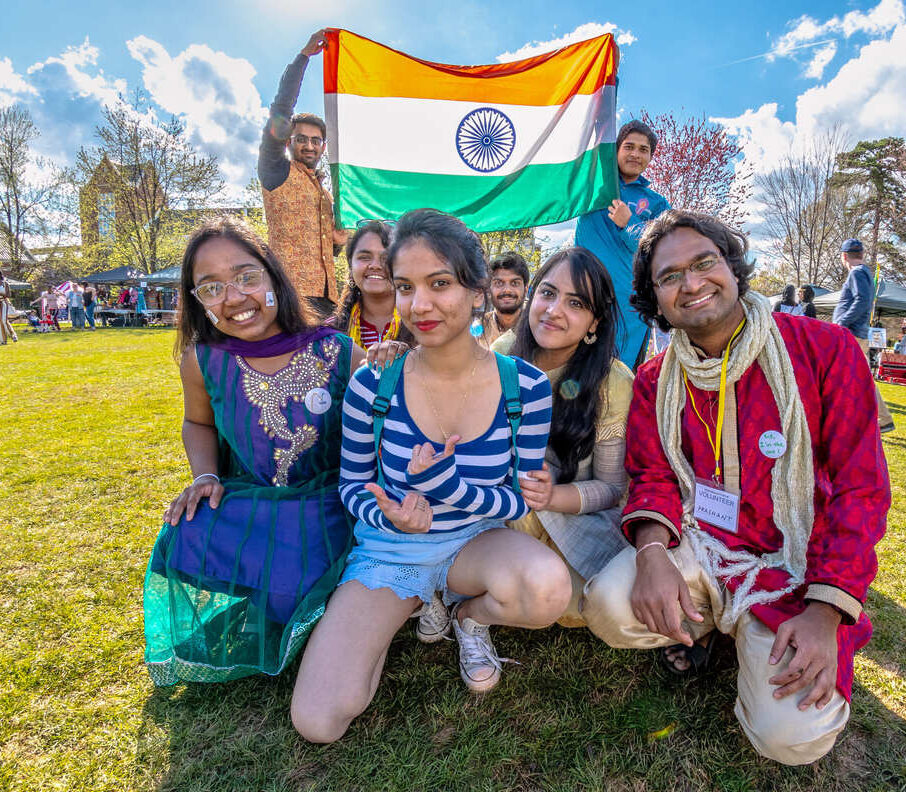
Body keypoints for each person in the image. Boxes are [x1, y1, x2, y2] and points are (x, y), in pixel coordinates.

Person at [581, 210, 890, 766]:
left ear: (733, 265)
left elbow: (859, 489)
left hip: (793, 566)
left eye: (704, 263)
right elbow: (652, 475)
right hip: (701, 544)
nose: (692, 283)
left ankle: (752, 633)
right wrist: (652, 552)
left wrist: (825, 612)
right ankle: (708, 628)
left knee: (791, 740)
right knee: (607, 604)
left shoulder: (826, 350)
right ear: (655, 299)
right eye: (669, 276)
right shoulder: (655, 380)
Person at [291, 209, 568, 744]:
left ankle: (466, 616)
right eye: (404, 287)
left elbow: (520, 501)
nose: (419, 305)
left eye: (439, 283)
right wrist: (389, 513)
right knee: (320, 720)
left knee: (546, 590)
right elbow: (351, 485)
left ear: (477, 290)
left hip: (475, 545)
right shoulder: (373, 385)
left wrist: (444, 488)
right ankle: (417, 602)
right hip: (389, 554)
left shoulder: (527, 388)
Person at [142, 216, 365, 686]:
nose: (235, 298)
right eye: (211, 288)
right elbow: (197, 422)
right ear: (197, 301)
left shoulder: (338, 350)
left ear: (273, 277)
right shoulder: (203, 360)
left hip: (329, 505)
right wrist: (205, 477)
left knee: (298, 589)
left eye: (246, 277)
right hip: (251, 504)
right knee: (185, 530)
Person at [492, 248, 633, 627]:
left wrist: (552, 496)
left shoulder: (613, 384)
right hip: (503, 509)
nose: (554, 310)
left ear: (593, 323)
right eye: (548, 293)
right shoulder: (502, 356)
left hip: (575, 515)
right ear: (532, 296)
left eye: (575, 303)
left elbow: (611, 488)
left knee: (571, 603)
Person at [258, 29, 347, 315]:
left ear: (323, 146)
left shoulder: (325, 192)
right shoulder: (276, 170)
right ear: (288, 141)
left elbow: (327, 248)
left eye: (316, 140)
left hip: (327, 297)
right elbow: (280, 109)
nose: (309, 145)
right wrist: (303, 58)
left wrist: (338, 242)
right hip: (289, 293)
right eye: (301, 139)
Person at [574, 120, 671, 369]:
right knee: (574, 374)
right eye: (629, 146)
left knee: (618, 380)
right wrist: (606, 84)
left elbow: (662, 251)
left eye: (643, 149)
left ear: (651, 156)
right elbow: (595, 124)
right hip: (584, 295)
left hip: (629, 312)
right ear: (615, 150)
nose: (635, 154)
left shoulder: (657, 203)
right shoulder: (594, 185)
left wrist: (630, 223)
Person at [831, 239, 894, 433]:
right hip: (855, 333)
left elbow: (862, 301)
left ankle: (879, 419)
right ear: (861, 254)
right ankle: (879, 419)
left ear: (844, 256)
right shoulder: (862, 273)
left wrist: (841, 323)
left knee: (851, 378)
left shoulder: (857, 273)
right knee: (857, 378)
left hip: (852, 334)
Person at [332, 221, 411, 347]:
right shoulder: (330, 334)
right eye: (364, 257)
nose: (375, 265)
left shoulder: (422, 327)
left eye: (386, 258)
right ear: (350, 265)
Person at [480, 251, 529, 347]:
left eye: (515, 283)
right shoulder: (477, 330)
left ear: (526, 289)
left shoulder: (536, 329)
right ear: (488, 289)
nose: (507, 290)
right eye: (499, 283)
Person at [0, 270, 17, 344]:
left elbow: (8, 295)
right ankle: (3, 340)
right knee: (1, 322)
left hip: (3, 303)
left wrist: (1, 293)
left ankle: (13, 335)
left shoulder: (5, 283)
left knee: (4, 320)